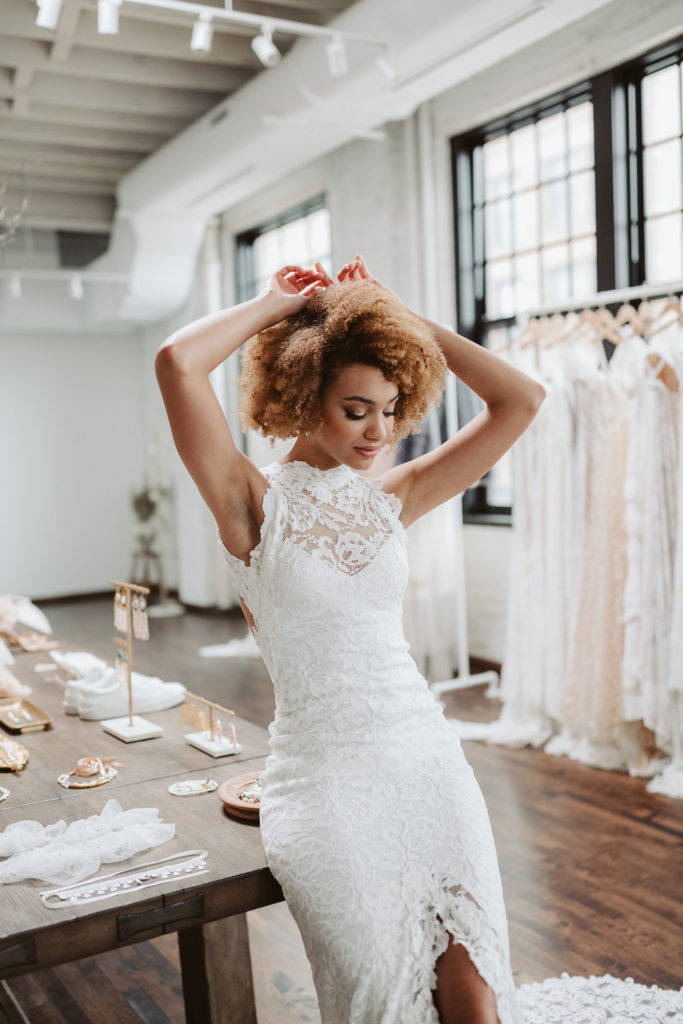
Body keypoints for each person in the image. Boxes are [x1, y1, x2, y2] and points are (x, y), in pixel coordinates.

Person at [155, 253, 546, 1024]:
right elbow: (177, 363)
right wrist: (278, 304)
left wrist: (395, 314)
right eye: (356, 408)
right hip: (326, 783)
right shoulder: (250, 502)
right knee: (380, 1002)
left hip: (427, 761)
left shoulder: (390, 498)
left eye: (394, 407)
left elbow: (521, 399)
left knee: (473, 997)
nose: (381, 431)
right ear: (303, 396)